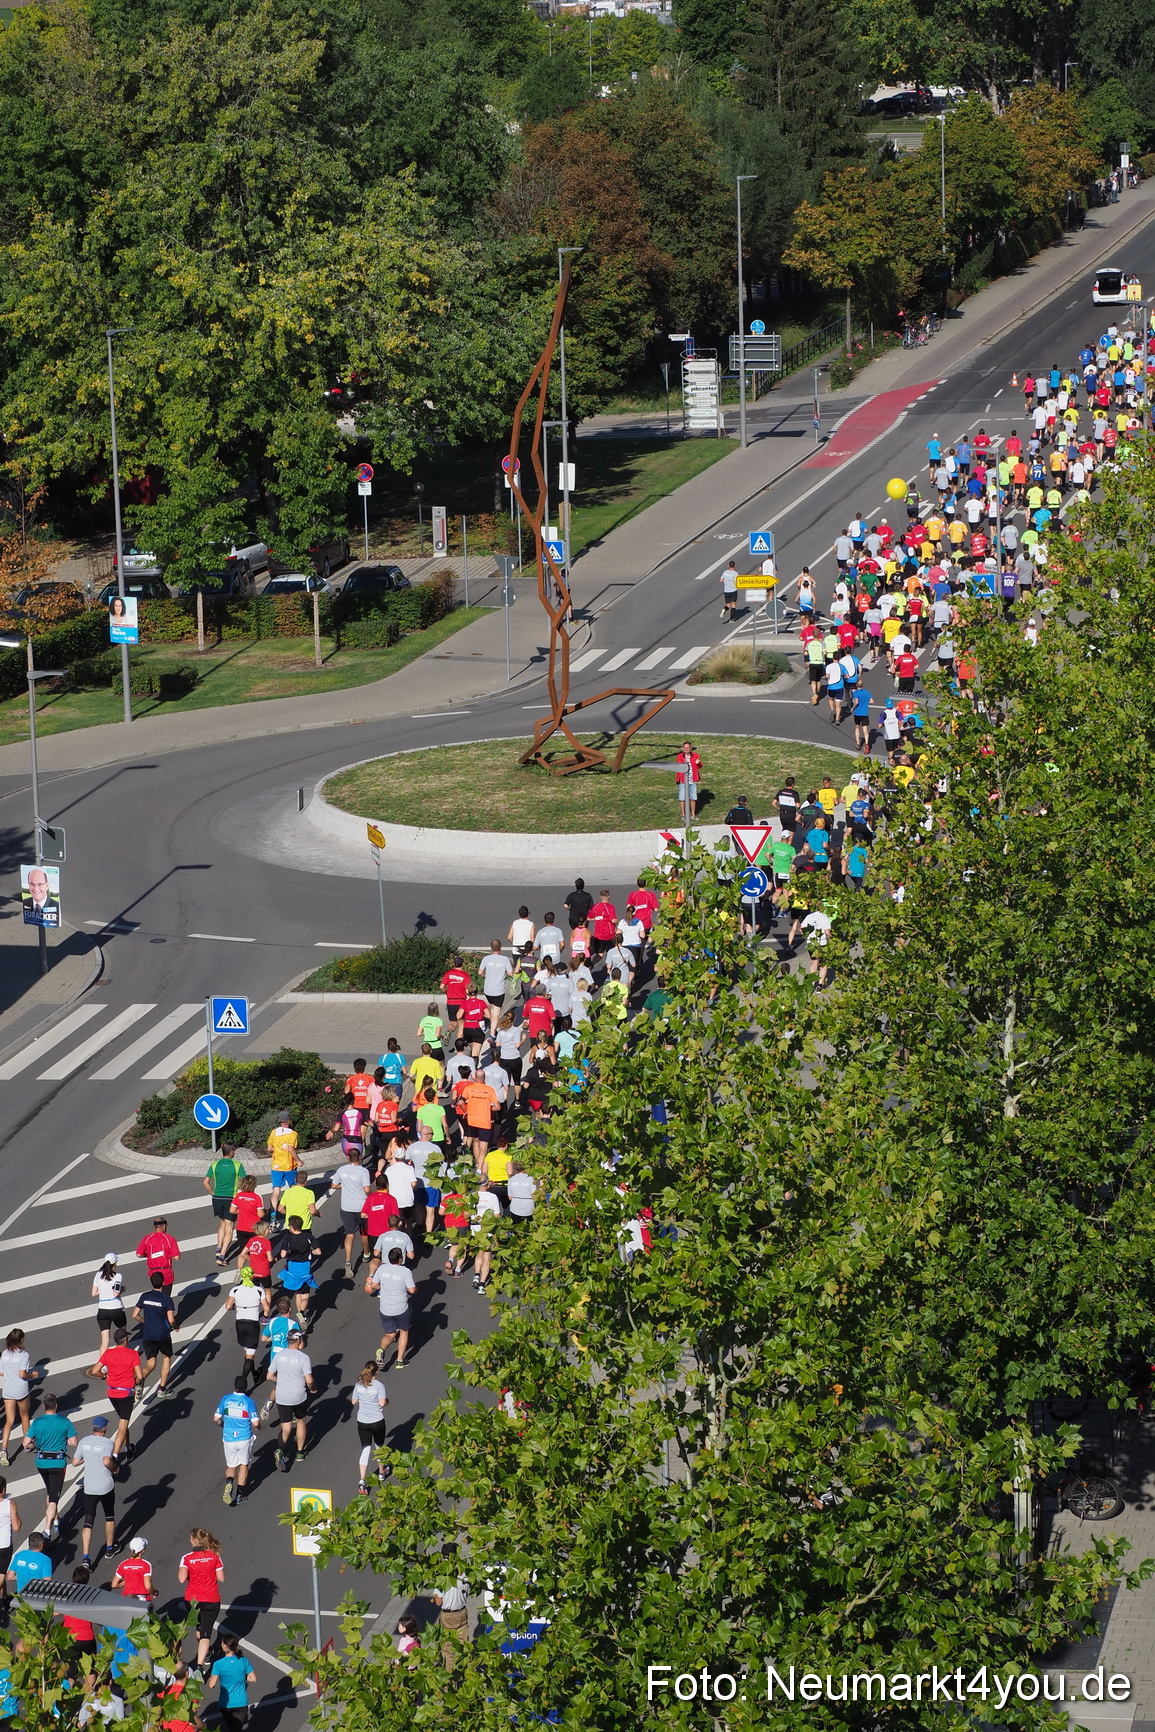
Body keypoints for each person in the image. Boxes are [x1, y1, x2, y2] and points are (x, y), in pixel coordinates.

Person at [23, 1393, 75, 1539]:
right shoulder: (65, 1422)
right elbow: (73, 1442)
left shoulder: (37, 1422)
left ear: (44, 1406)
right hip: (58, 1464)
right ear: (56, 1406)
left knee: (50, 1492)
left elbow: (26, 1443)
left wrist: (36, 1443)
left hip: (41, 1463)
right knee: (54, 1498)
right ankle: (47, 1530)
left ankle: (57, 1520)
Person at [72, 1415, 118, 1567]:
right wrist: (116, 1468)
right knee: (109, 1516)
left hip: (90, 1487)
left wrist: (86, 1458)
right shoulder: (107, 1442)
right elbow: (106, 1461)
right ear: (104, 1428)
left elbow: (74, 1462)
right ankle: (110, 1549)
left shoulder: (84, 1441)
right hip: (105, 1486)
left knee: (88, 1521)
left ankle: (86, 1557)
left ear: (93, 1428)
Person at [178, 1527, 225, 1673]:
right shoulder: (214, 1555)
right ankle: (201, 1663)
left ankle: (203, 1659)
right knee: (205, 1633)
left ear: (194, 1540)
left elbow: (181, 1579)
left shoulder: (186, 1558)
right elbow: (222, 1578)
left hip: (192, 1601)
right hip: (211, 1599)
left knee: (199, 1629)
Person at [268, 1328, 315, 1469]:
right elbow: (309, 1379)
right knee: (300, 1422)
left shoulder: (279, 1356)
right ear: (299, 1340)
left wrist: (280, 1381)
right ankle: (300, 1452)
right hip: (298, 1396)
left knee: (286, 1426)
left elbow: (269, 1376)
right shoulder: (303, 1358)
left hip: (282, 1396)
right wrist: (313, 1388)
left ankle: (280, 1450)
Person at [94, 1327, 143, 1463]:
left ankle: (128, 1447)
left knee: (123, 1420)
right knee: (122, 1425)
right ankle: (115, 1454)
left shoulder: (108, 1353)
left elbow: (94, 1370)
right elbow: (140, 1375)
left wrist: (104, 1376)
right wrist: (136, 1382)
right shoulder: (133, 1354)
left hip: (112, 1392)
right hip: (126, 1393)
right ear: (125, 1340)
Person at [367, 1247, 416, 1371]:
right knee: (404, 1332)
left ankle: (381, 1350)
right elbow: (412, 1290)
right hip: (401, 1308)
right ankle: (400, 1360)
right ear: (400, 1258)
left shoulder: (382, 1269)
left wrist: (383, 1287)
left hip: (385, 1309)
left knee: (389, 1334)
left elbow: (374, 1285)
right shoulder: (405, 1271)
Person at [215, 1375, 260, 1506]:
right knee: (244, 1465)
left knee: (231, 1465)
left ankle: (229, 1482)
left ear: (234, 1387)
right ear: (245, 1387)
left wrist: (222, 1425)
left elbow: (216, 1418)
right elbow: (256, 1422)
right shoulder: (249, 1402)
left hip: (229, 1438)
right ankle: (240, 1495)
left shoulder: (226, 1399)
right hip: (244, 1438)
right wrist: (259, 1427)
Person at [133, 1273, 177, 1399]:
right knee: (166, 1358)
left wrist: (145, 1322)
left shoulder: (144, 1296)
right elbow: (171, 1319)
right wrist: (176, 1326)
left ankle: (138, 1381)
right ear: (163, 1283)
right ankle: (162, 1389)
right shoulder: (166, 1299)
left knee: (151, 1364)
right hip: (163, 1334)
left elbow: (135, 1314)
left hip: (148, 1335)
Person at [332, 1145, 373, 1277]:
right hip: (361, 1207)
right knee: (364, 1233)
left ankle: (348, 1261)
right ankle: (366, 1254)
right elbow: (367, 1189)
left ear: (347, 1158)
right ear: (360, 1157)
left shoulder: (342, 1169)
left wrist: (345, 1185)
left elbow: (333, 1185)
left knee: (349, 1234)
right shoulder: (363, 1172)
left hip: (346, 1207)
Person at [225, 1268, 269, 1388]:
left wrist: (237, 1306)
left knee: (247, 1351)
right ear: (252, 1276)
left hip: (239, 1323)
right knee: (250, 1353)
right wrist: (264, 1314)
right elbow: (267, 1307)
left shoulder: (235, 1290)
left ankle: (255, 1374)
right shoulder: (259, 1290)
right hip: (252, 1323)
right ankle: (243, 1379)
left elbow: (228, 1306)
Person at [350, 1362, 389, 1493]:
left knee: (366, 1448)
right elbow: (382, 1403)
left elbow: (353, 1401)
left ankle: (362, 1480)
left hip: (362, 1421)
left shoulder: (359, 1384)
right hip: (377, 1421)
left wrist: (363, 1400)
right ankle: (381, 1472)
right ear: (376, 1372)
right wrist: (386, 1401)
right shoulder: (379, 1386)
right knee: (379, 1447)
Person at [277, 1215, 321, 1329]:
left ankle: (299, 1313)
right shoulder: (308, 1236)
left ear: (291, 1227)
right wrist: (309, 1252)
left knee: (298, 1293)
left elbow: (282, 1255)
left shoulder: (288, 1238)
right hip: (305, 1268)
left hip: (292, 1268)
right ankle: (301, 1312)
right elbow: (318, 1252)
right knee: (305, 1294)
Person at [208, 1632, 256, 1732]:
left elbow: (211, 1685)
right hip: (241, 1702)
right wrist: (242, 1676)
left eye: (221, 1643)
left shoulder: (218, 1664)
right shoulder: (243, 1660)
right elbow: (253, 1678)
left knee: (231, 1727)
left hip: (225, 1703)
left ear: (225, 1645)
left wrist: (210, 1679)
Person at [205, 1144, 243, 1265]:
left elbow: (205, 1182)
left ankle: (218, 1248)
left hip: (217, 1198)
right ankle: (222, 1257)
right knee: (229, 1228)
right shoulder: (237, 1165)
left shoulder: (215, 1164)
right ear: (231, 1152)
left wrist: (213, 1193)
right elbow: (245, 1181)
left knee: (222, 1223)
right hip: (230, 1199)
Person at [0, 1330, 32, 1468]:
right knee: (24, 1416)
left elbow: (1, 1372)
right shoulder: (24, 1355)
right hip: (20, 1390)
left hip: (8, 1390)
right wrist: (33, 1374)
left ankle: (4, 1449)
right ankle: (27, 1444)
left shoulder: (5, 1354)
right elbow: (22, 1374)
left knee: (9, 1421)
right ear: (21, 1340)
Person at [89, 1253, 126, 1364]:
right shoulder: (118, 1276)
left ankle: (103, 1365)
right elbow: (116, 1293)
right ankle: (123, 1360)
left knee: (105, 1340)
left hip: (102, 1310)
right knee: (122, 1335)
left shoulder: (98, 1275)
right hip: (116, 1309)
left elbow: (93, 1293)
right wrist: (123, 1289)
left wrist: (103, 1290)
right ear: (115, 1263)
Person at [479, 941, 513, 1031]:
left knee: (493, 1008)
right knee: (496, 1013)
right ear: (500, 948)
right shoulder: (505, 959)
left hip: (488, 990)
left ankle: (486, 1021)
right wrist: (503, 973)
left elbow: (480, 972)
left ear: (491, 948)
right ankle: (492, 1034)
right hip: (498, 991)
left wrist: (485, 976)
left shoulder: (486, 959)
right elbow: (510, 973)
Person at [6, 1530, 49, 1599]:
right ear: (42, 1545)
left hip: (21, 1596)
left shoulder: (19, 1555)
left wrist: (23, 1575)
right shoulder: (46, 1560)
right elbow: (47, 1580)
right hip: (38, 1597)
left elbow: (9, 1577)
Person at [0, 1476, 20, 1617]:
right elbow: (17, 1527)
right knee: (1, 1576)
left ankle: (5, 1598)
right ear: (4, 1490)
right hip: (4, 1546)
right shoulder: (10, 1504)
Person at [111, 1536, 152, 1604]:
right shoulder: (146, 1565)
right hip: (143, 1599)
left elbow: (114, 1585)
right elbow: (148, 1586)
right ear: (142, 1551)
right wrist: (154, 1592)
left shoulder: (123, 1564)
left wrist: (125, 1582)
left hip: (128, 1600)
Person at [675, 741, 701, 820]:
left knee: (693, 798)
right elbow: (678, 767)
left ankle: (692, 814)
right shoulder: (680, 756)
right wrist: (684, 763)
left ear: (690, 748)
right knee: (682, 798)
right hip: (683, 780)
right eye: (685, 747)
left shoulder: (695, 755)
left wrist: (698, 763)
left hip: (692, 780)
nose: (686, 749)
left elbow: (699, 766)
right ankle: (683, 815)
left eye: (688, 747)